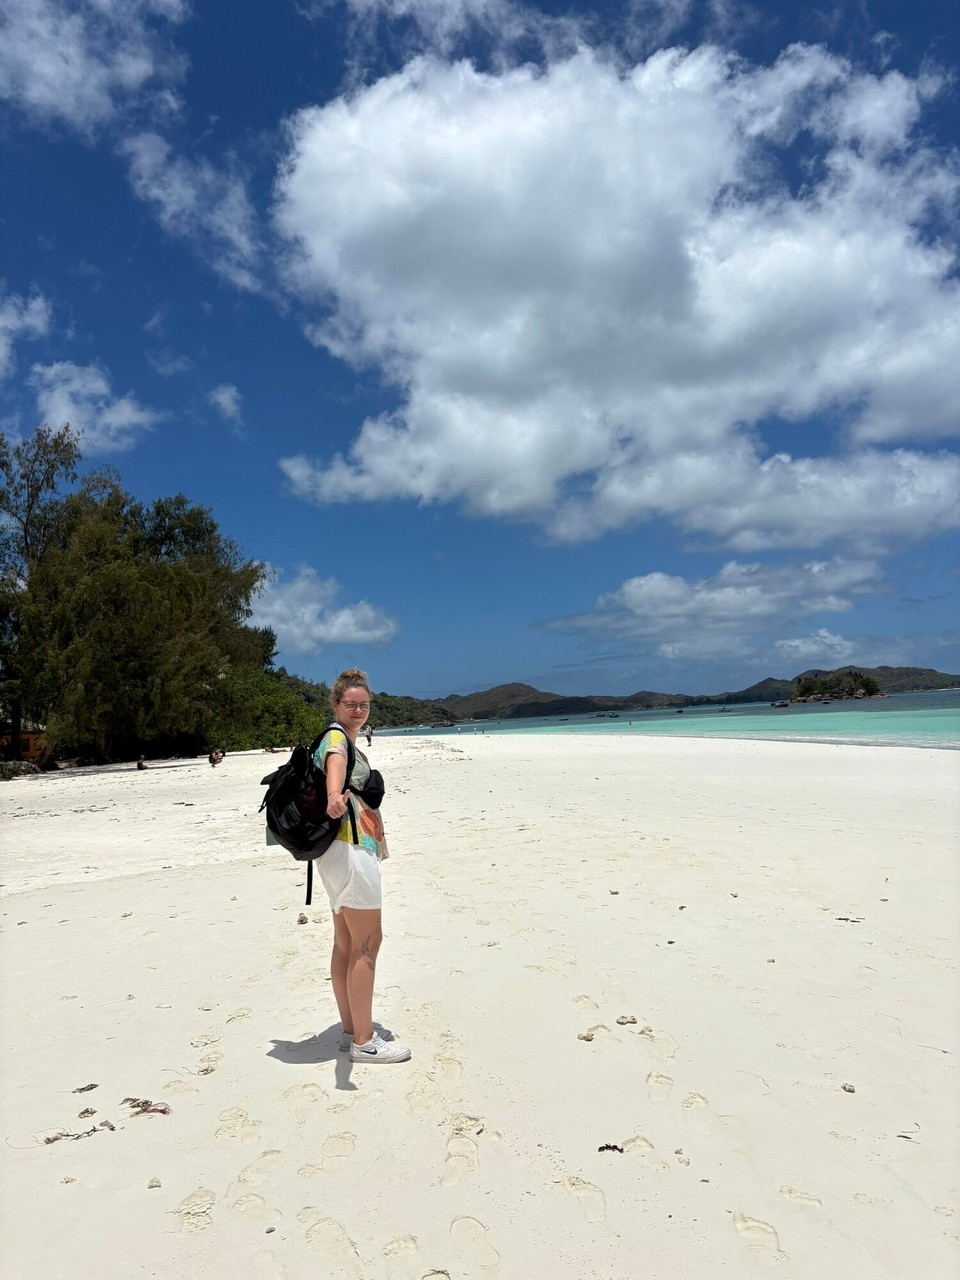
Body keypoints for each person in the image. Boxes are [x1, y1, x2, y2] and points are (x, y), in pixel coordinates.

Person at [315, 668, 410, 1065]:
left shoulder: (343, 738)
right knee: (369, 942)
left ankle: (351, 1029)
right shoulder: (337, 738)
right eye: (351, 703)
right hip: (352, 850)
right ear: (336, 704)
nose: (358, 709)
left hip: (336, 853)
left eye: (364, 704)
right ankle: (365, 1042)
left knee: (346, 942)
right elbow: (335, 765)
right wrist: (334, 795)